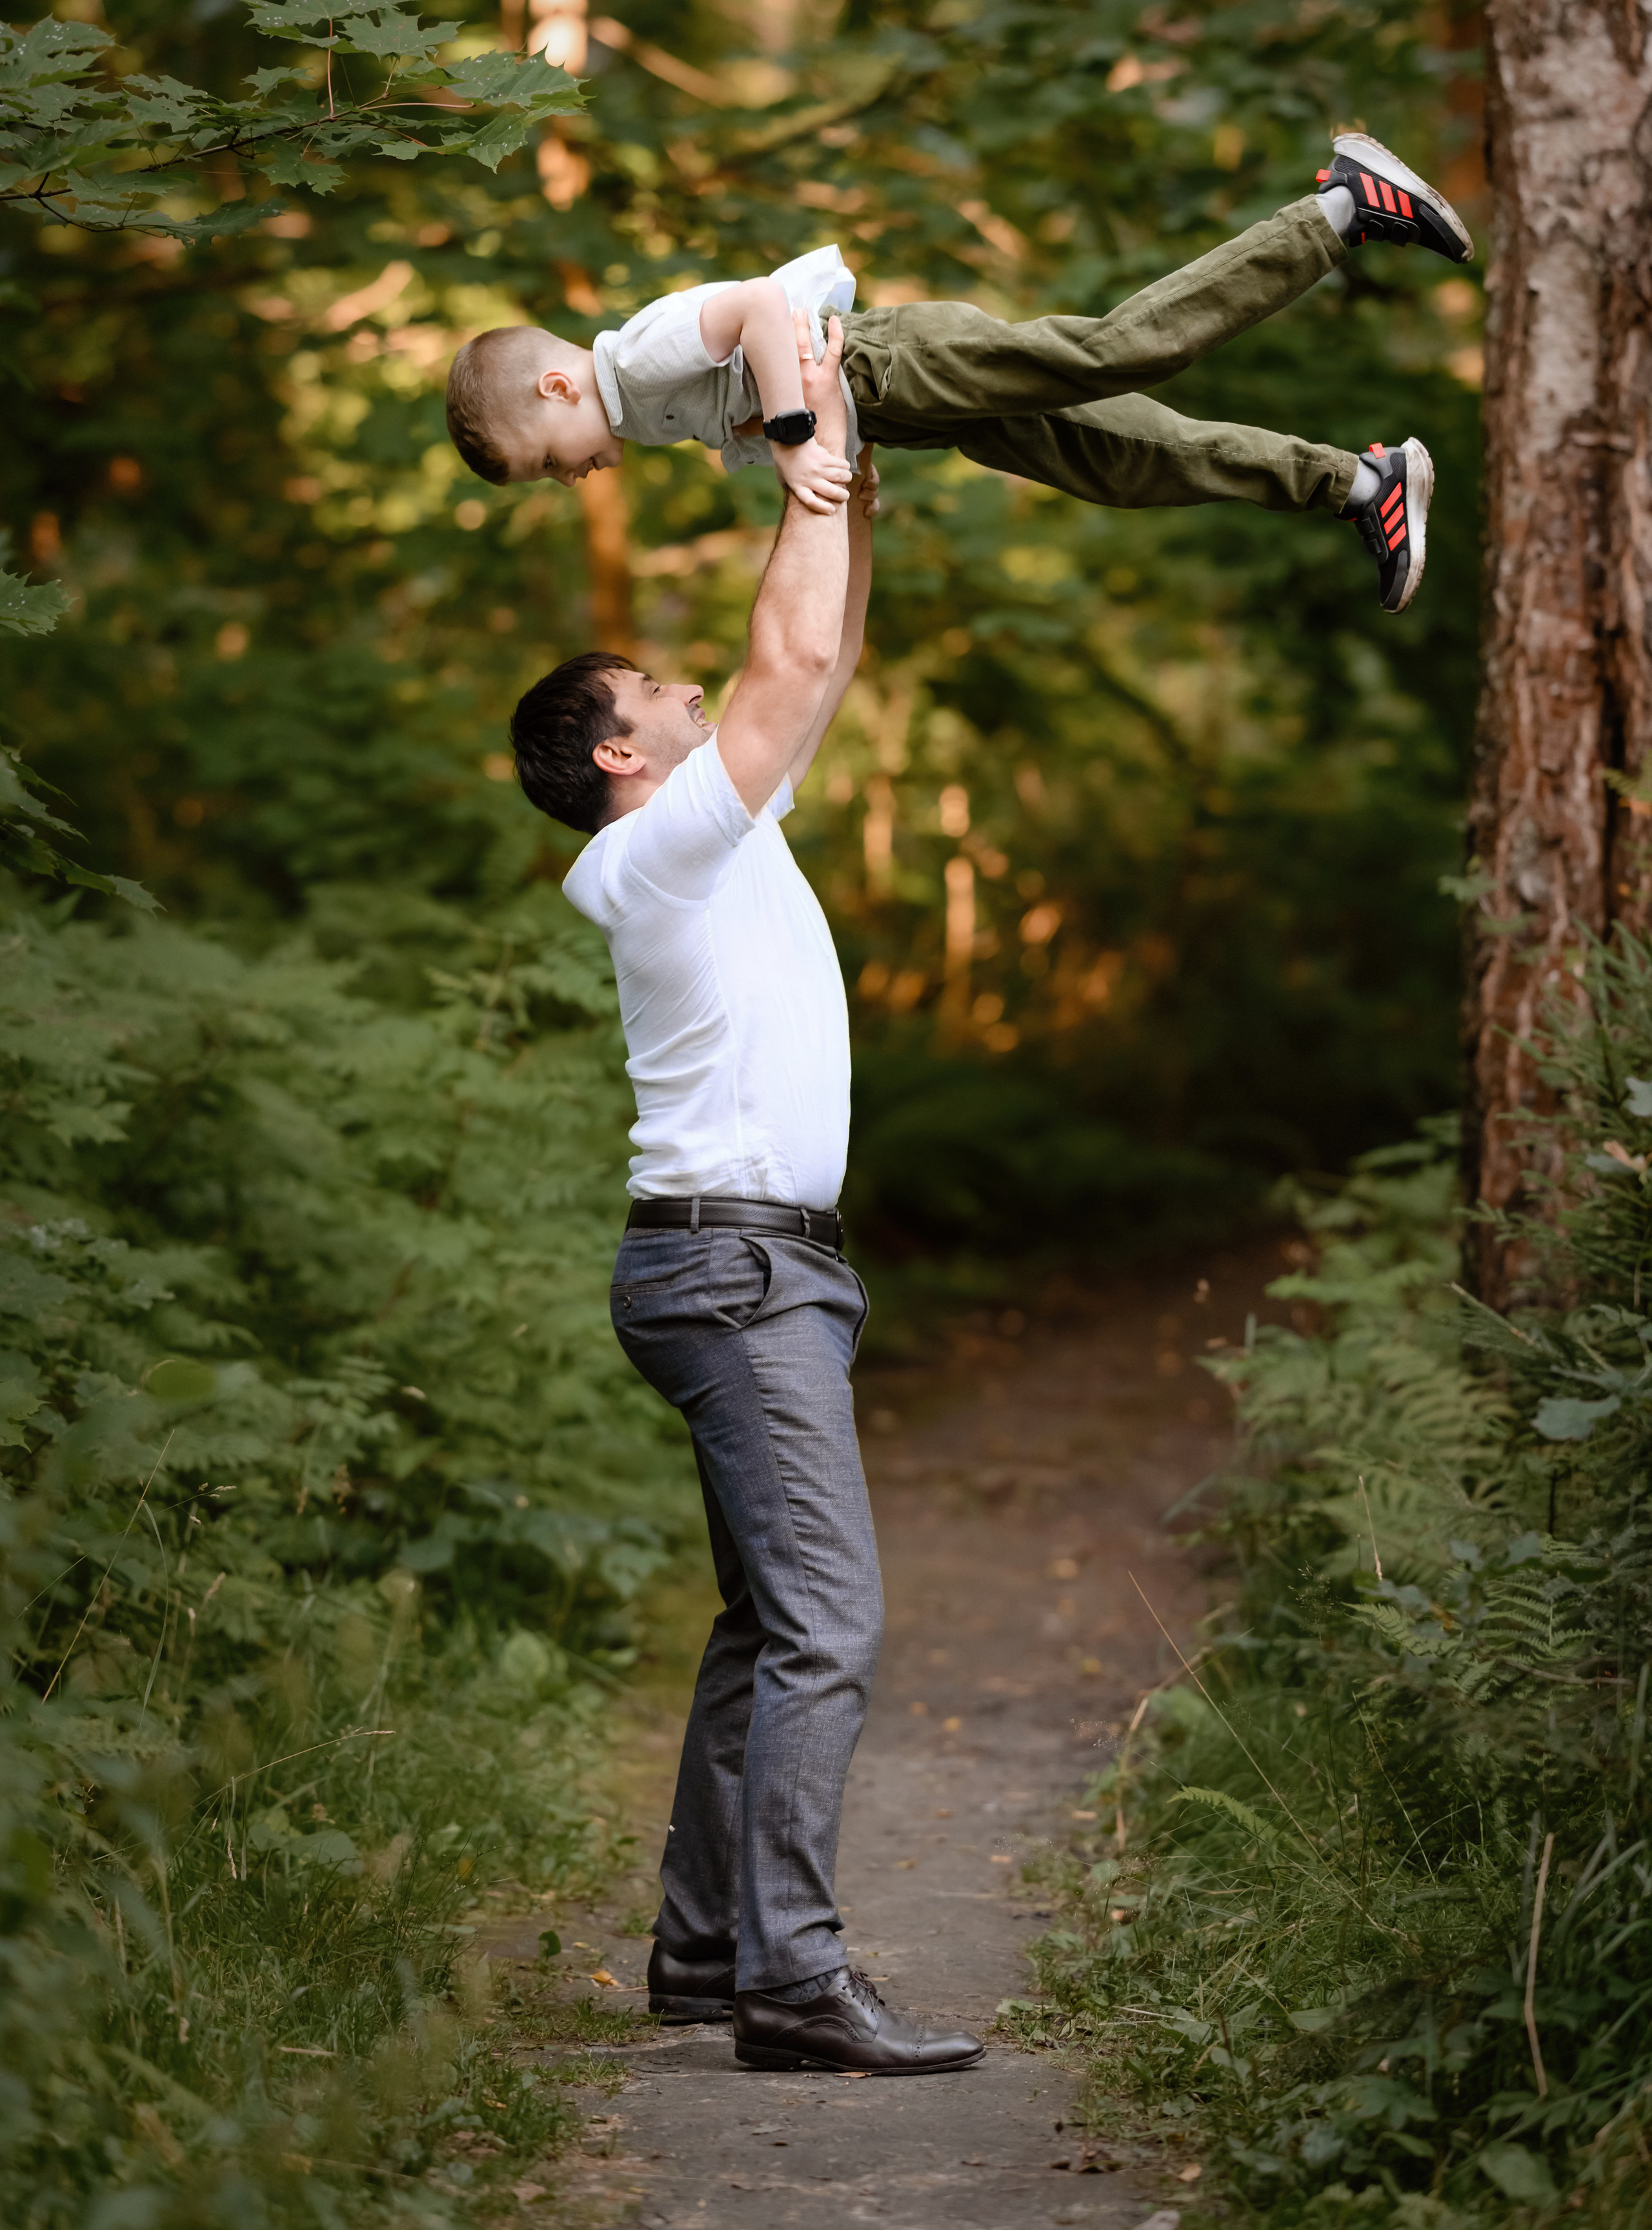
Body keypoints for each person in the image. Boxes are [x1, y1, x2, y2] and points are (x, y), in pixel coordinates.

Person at [509, 313, 983, 2076]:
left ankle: (708, 1951)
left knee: (762, 1623)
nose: (690, 688)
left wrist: (845, 449)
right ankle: (792, 1982)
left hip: (749, 1273)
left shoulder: (715, 834)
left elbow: (819, 656)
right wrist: (795, 454)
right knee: (826, 1622)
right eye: (656, 689)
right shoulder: (652, 855)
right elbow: (778, 655)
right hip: (735, 1281)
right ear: (618, 756)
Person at [447, 132, 1473, 618]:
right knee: (1119, 460)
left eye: (549, 463)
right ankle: (1362, 484)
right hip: (900, 407)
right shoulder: (643, 408)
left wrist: (797, 440)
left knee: (1126, 348)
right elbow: (761, 382)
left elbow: (758, 305)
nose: (570, 478)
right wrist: (815, 447)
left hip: (900, 362)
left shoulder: (632, 358)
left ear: (555, 390)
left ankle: (1344, 207)